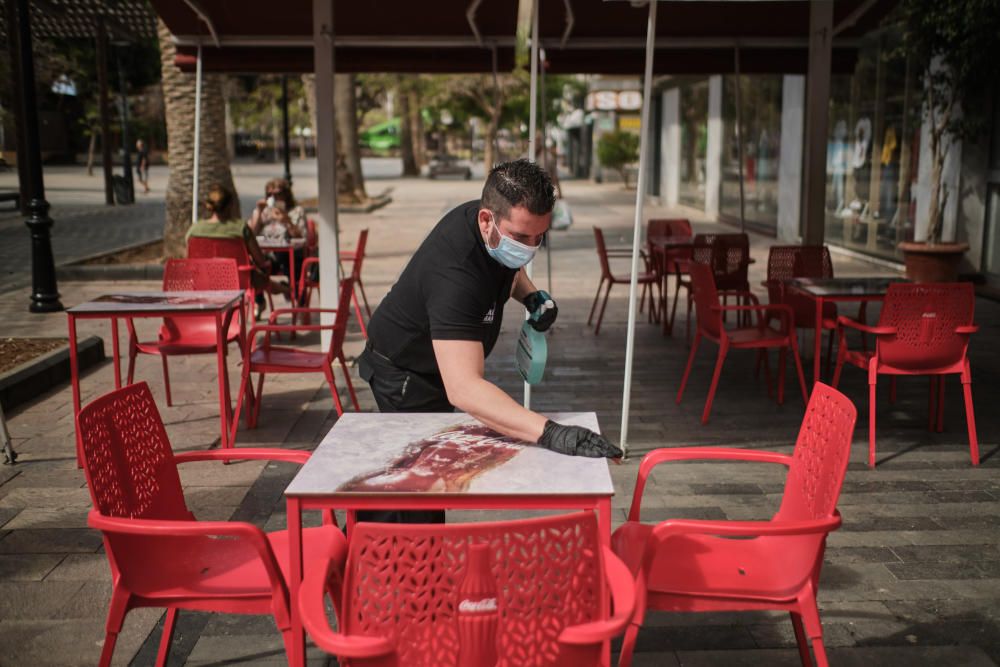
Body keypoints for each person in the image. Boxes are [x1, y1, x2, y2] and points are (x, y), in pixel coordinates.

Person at [357, 159, 622, 524]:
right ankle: (387, 563)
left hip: (436, 364)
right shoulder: (456, 275)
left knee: (412, 487)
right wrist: (551, 433)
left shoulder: (494, 229)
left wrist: (530, 296)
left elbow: (509, 269)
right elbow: (464, 388)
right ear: (487, 220)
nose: (529, 249)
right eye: (522, 238)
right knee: (415, 492)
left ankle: (378, 551)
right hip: (405, 372)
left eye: (538, 237)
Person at [187, 183, 289, 317]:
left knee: (258, 277)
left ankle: (282, 290)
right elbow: (260, 260)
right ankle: (286, 290)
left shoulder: (194, 230)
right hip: (238, 281)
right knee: (260, 276)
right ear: (230, 205)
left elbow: (189, 259)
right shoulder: (240, 228)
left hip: (204, 280)